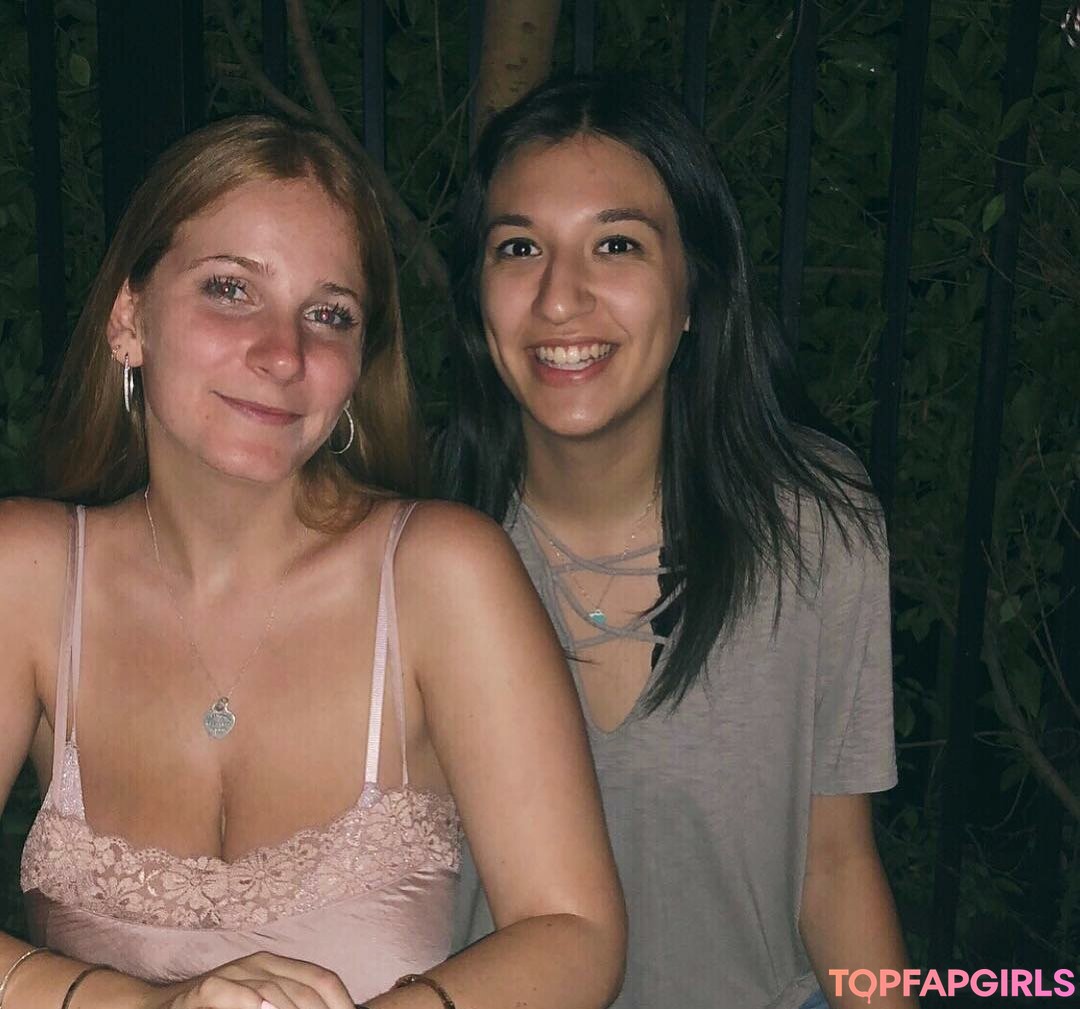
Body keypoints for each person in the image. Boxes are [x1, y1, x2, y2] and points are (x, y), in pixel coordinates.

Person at [0, 114, 625, 1009]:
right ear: (129, 320)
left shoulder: (440, 574)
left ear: (356, 369)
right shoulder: (26, 575)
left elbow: (575, 931)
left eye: (329, 315)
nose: (283, 352)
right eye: (230, 289)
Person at [439, 77, 913, 1009]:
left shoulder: (815, 524)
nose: (559, 298)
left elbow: (834, 863)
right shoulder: (415, 540)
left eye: (616, 244)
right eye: (519, 247)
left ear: (693, 287)